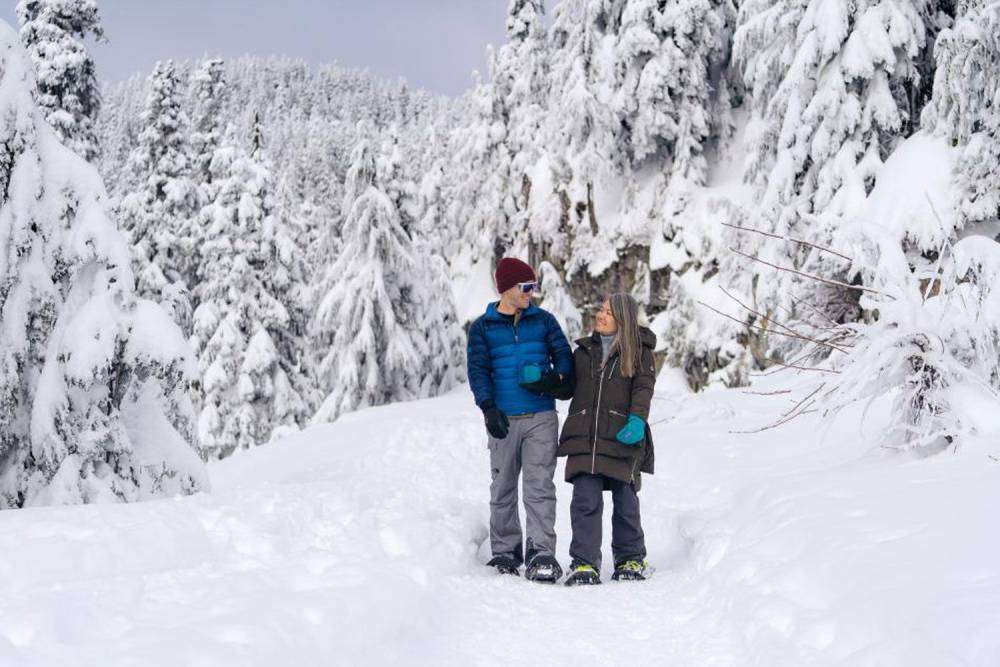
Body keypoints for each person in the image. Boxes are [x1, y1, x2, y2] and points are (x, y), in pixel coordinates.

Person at [467, 257, 574, 582]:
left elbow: (564, 357)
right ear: (506, 288)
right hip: (503, 419)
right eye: (525, 286)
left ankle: (541, 552)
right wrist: (488, 408)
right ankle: (505, 552)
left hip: (541, 417)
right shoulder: (483, 328)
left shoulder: (544, 321)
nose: (531, 292)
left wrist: (553, 380)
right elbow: (478, 370)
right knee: (502, 488)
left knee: (539, 487)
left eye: (533, 286)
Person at [557, 293, 657, 586]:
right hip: (585, 437)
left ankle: (631, 558)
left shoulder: (639, 353)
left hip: (622, 436)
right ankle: (584, 562)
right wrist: (543, 380)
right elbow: (566, 388)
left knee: (626, 501)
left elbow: (643, 389)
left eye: (608, 313)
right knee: (585, 501)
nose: (600, 315)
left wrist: (637, 420)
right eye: (600, 309)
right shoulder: (583, 352)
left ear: (623, 319)